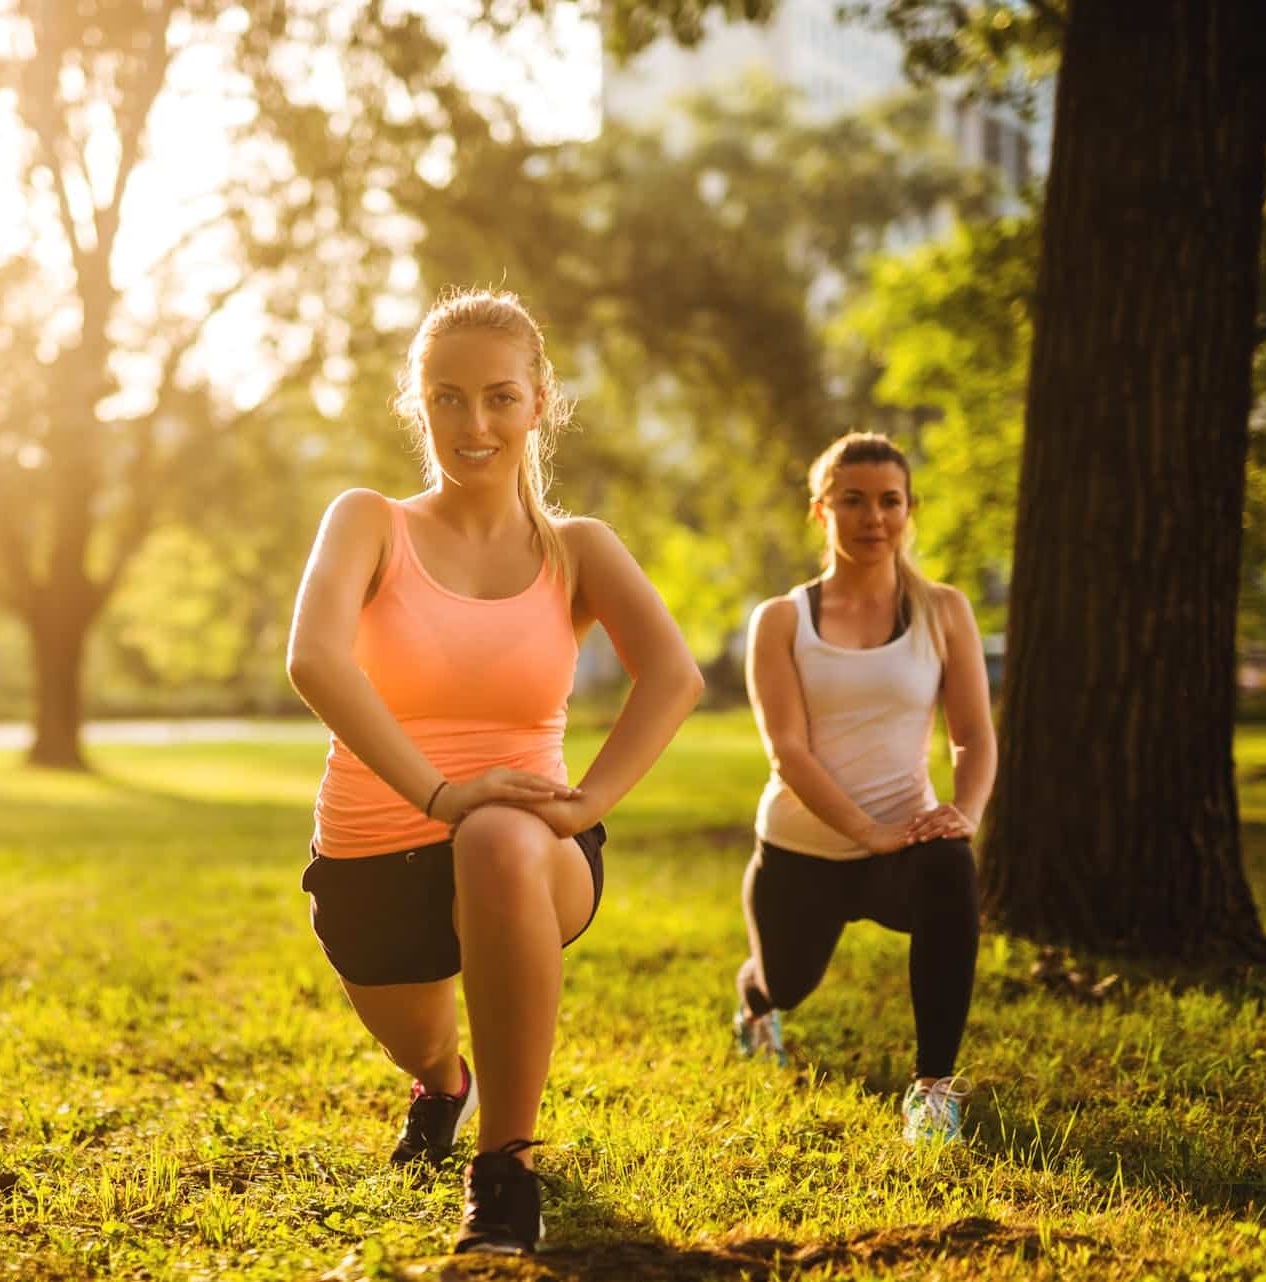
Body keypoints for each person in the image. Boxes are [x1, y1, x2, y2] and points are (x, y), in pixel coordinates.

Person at [286, 288, 704, 1255]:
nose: (475, 424)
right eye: (448, 398)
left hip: (528, 853)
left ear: (540, 401)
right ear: (418, 405)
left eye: (500, 398)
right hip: (373, 856)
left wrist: (587, 802)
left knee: (500, 832)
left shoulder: (579, 548)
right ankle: (446, 1087)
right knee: (421, 1042)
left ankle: (507, 1169)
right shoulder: (369, 522)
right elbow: (315, 660)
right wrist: (437, 793)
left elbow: (673, 677)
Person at [734, 432, 996, 1144]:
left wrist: (962, 814)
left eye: (889, 501)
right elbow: (787, 750)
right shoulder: (783, 619)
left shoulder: (943, 611)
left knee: (950, 866)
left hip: (901, 848)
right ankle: (754, 1002)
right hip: (801, 849)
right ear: (821, 511)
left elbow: (972, 734)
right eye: (852, 501)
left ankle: (933, 1089)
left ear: (909, 511)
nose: (873, 517)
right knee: (785, 983)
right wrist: (868, 832)